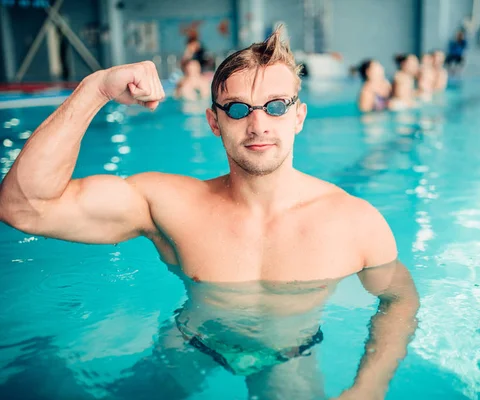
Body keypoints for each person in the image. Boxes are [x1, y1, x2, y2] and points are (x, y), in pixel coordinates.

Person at [0, 28, 418, 399]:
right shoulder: (169, 204)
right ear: (214, 122)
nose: (257, 125)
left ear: (298, 116)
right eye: (237, 109)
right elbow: (24, 208)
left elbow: (398, 297)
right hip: (190, 342)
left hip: (288, 354)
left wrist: (369, 386)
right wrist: (96, 89)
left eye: (275, 106)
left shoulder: (353, 221)